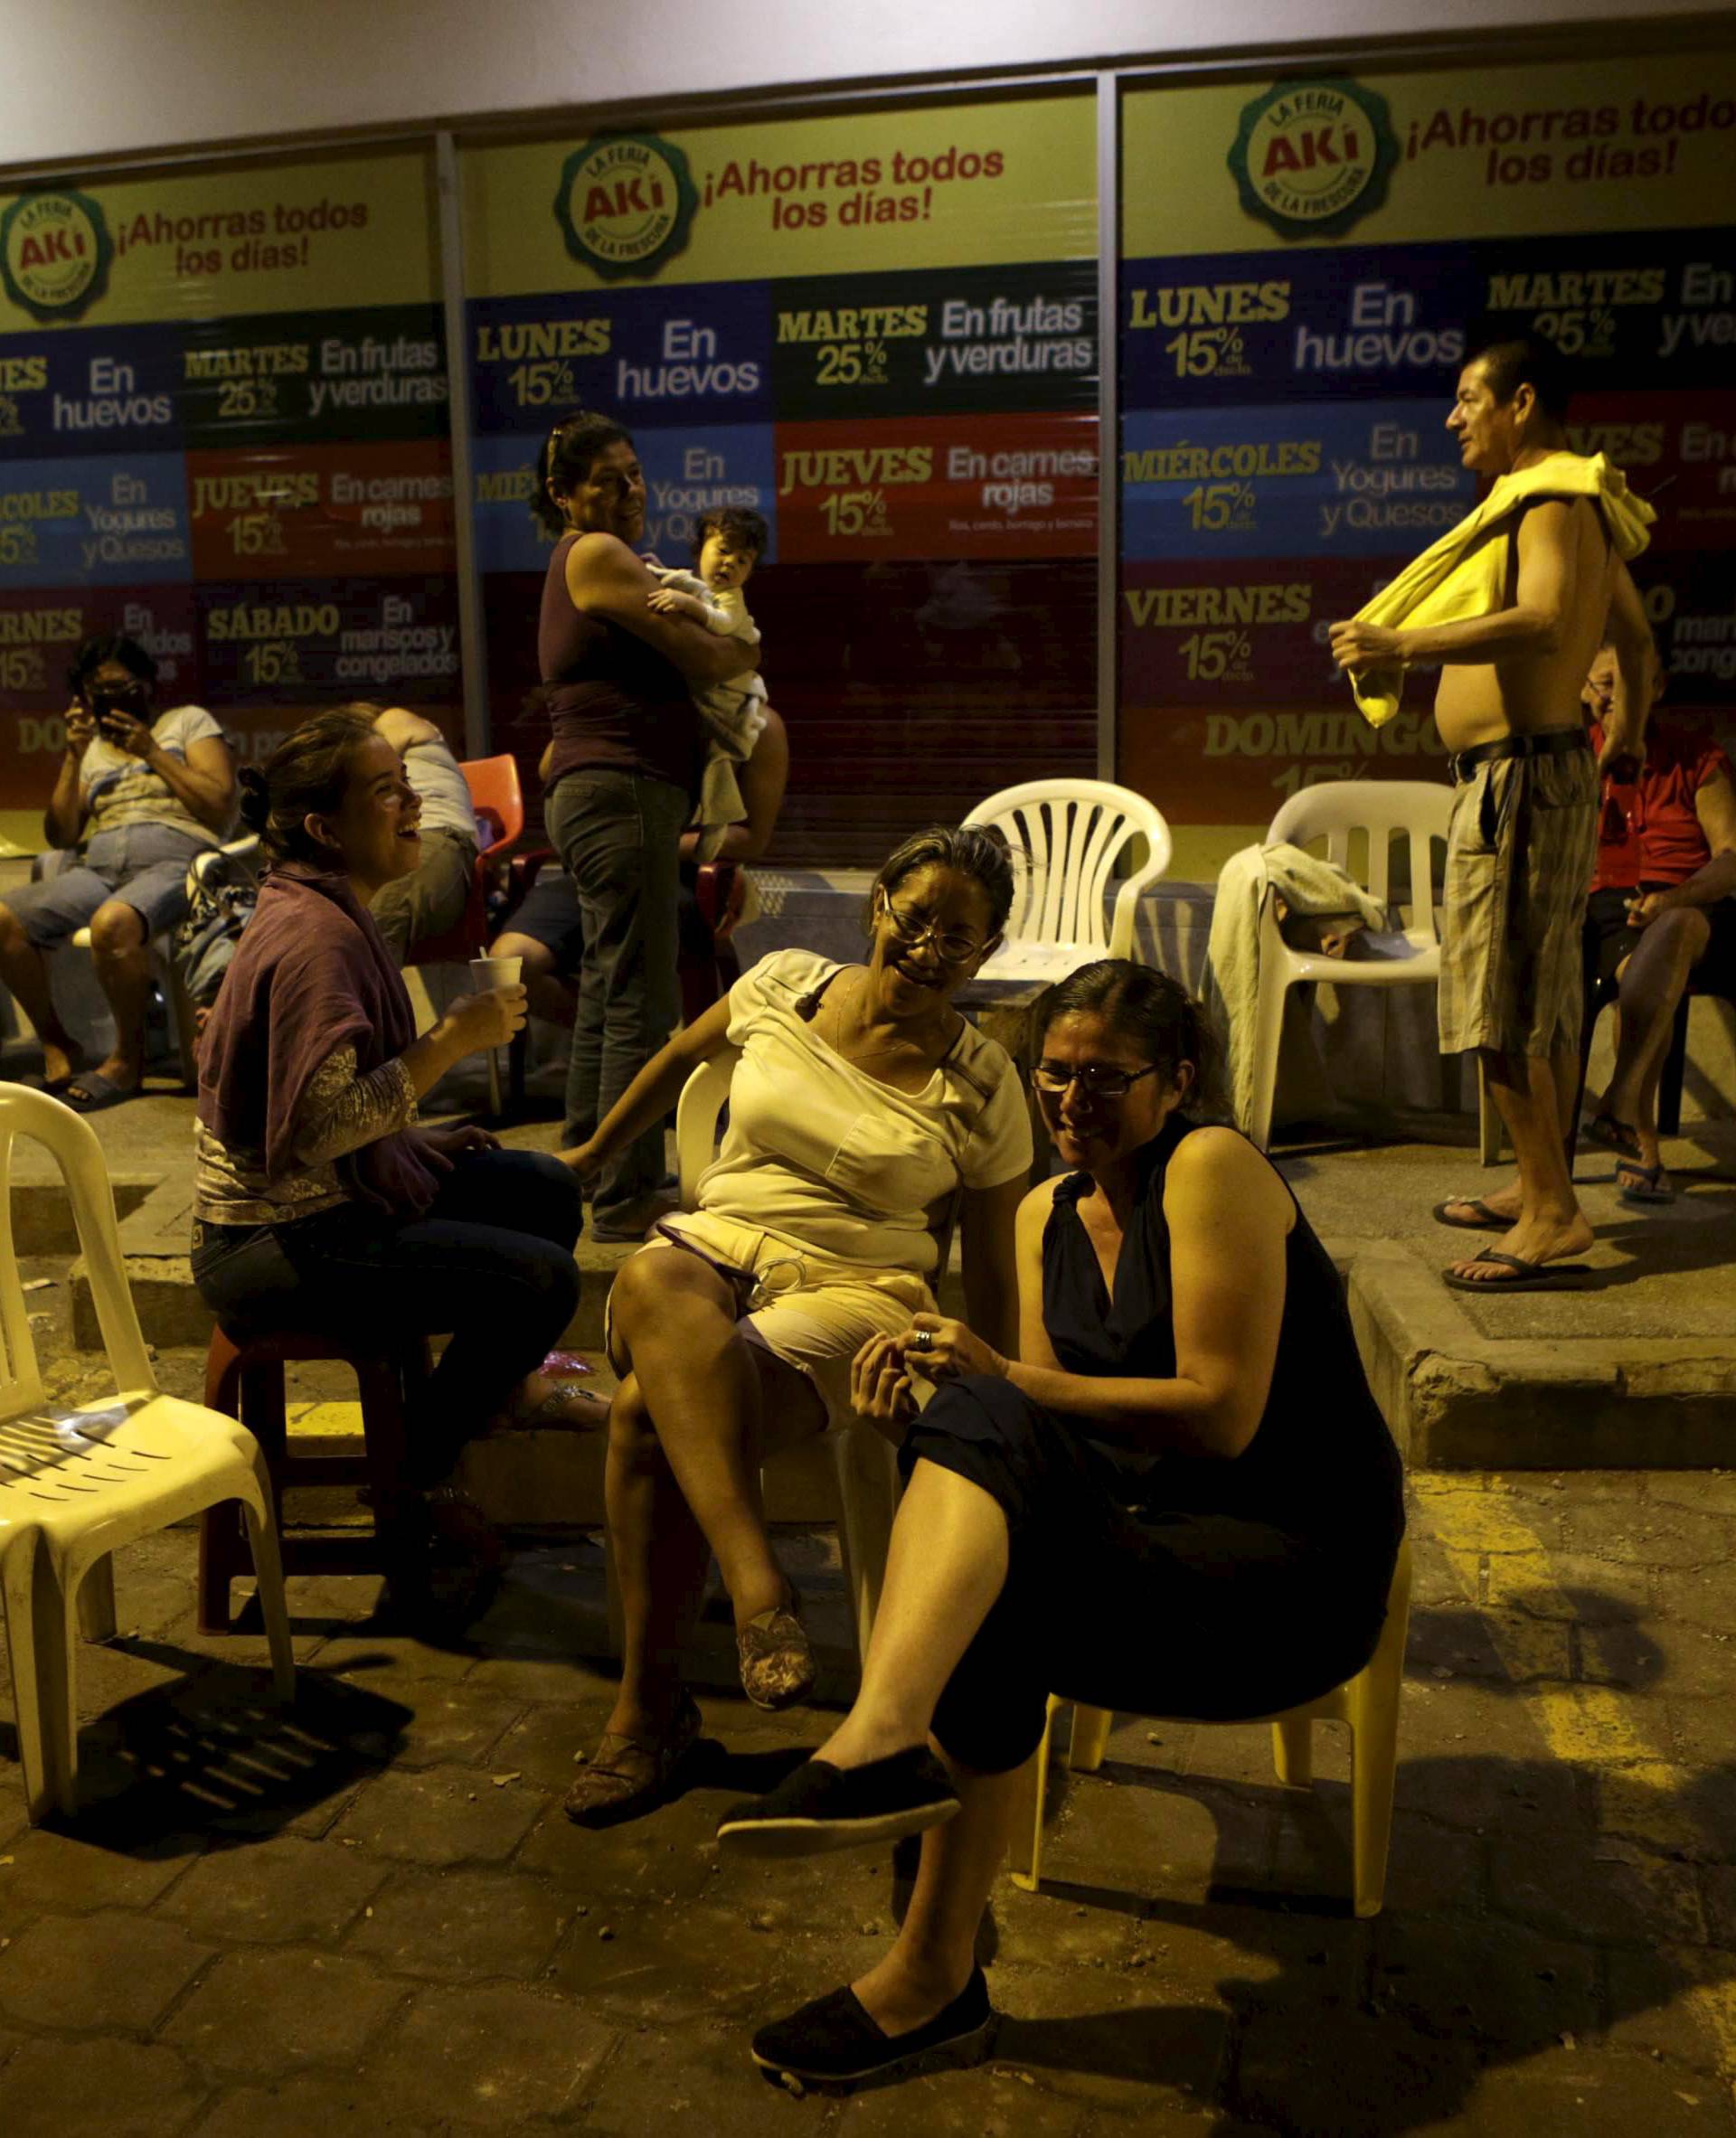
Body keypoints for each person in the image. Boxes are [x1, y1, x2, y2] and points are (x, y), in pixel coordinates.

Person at [717, 961, 1404, 2089]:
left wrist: (995, 1385)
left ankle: (898, 1816)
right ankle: (927, 1960)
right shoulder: (1045, 1214)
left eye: (1103, 1079)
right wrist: (924, 1424)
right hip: (1157, 1545)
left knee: (992, 1428)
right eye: (1053, 1075)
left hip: (1292, 1575)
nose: (1072, 1103)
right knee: (981, 1499)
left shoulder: (1211, 1168)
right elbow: (1054, 1433)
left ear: (1176, 1081)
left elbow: (1222, 1416)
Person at [559, 825, 1033, 1827]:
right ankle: (756, 1577)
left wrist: (1001, 1394)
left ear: (985, 953)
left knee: (645, 1412)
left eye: (960, 938)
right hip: (716, 1244)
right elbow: (677, 1056)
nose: (929, 949)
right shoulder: (785, 981)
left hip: (861, 1288)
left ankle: (646, 1716)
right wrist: (592, 1150)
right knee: (649, 1281)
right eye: (915, 919)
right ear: (878, 906)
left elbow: (991, 1267)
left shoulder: (985, 1080)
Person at [191, 710, 595, 1575]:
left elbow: (335, 1113)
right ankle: (420, 1475)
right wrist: (450, 1041)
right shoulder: (314, 939)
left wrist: (415, 1137)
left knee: (545, 1189)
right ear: (324, 829)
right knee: (540, 1278)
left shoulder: (332, 907)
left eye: (407, 785)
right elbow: (314, 1130)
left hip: (323, 1198)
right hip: (275, 1239)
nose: (415, 804)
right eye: (387, 793)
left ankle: (486, 1398)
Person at [1328, 334, 1656, 1293]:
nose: (1453, 417)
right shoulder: (1578, 498)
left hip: (1518, 781)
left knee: (1502, 1004)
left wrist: (1405, 640)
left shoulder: (1552, 493)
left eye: (1469, 399)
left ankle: (1553, 1215)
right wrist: (1626, 729)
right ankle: (1534, 1181)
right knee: (1536, 995)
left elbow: (1552, 619)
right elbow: (1630, 634)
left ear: (1521, 400)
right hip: (1536, 773)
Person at [533, 410, 759, 1241]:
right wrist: (737, 654)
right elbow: (713, 656)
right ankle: (625, 1193)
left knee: (609, 983)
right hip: (621, 792)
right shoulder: (595, 553)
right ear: (564, 495)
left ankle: (578, 1162)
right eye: (607, 479)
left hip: (618, 792)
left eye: (634, 474)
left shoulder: (606, 560)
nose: (630, 490)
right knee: (640, 995)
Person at [1440, 646, 1736, 1219]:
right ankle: (1544, 1183)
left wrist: (1675, 896)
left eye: (1631, 685)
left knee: (1668, 932)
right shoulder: (1568, 757)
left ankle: (1627, 1116)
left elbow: (1730, 856)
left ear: (1659, 688)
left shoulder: (1696, 757)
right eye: (1604, 684)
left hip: (1690, 904)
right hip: (1594, 908)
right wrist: (1598, 765)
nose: (1616, 698)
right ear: (1581, 689)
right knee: (1535, 986)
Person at [0, 633, 236, 1112]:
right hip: (100, 868)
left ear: (146, 684)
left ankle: (129, 1059)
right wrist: (73, 754)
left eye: (120, 685)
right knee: (2, 919)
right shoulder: (93, 752)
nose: (110, 697)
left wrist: (152, 751)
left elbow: (219, 808)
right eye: (97, 691)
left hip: (179, 862)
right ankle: (57, 1042)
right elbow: (62, 834)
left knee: (113, 924)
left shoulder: (186, 723)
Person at [490, 709, 789, 1041]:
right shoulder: (620, 703)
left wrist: (648, 844)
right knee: (508, 967)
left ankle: (637, 1051)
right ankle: (633, 1044)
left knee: (631, 975)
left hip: (679, 879)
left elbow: (751, 839)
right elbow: (549, 768)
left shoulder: (757, 723)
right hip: (592, 874)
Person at [644, 506, 770, 859]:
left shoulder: (732, 599)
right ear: (700, 549)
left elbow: (720, 623)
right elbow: (679, 582)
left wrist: (686, 604)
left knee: (719, 761)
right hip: (705, 689)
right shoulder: (697, 585)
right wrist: (652, 573)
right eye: (724, 550)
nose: (730, 563)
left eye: (743, 560)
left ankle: (716, 825)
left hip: (731, 694)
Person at [365, 704, 480, 964]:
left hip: (433, 834)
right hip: (390, 843)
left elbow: (363, 771)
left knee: (385, 910)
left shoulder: (393, 719)